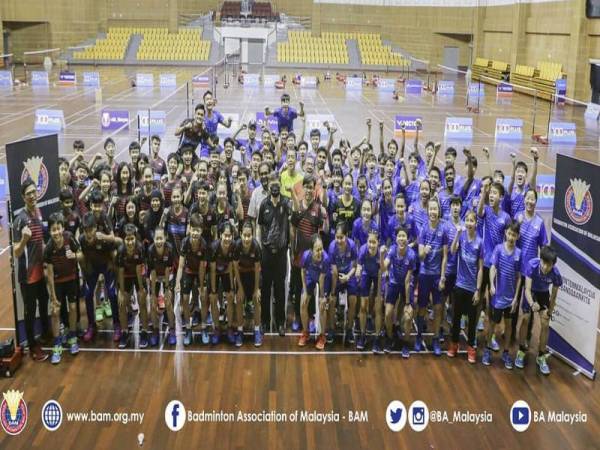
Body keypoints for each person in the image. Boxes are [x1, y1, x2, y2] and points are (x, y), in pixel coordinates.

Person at [13, 179, 50, 361]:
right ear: (23, 196)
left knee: (44, 303)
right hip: (27, 275)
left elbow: (41, 240)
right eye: (29, 193)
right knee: (30, 310)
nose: (32, 195)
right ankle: (33, 347)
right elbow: (16, 251)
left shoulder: (39, 211)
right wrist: (24, 239)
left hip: (40, 271)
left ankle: (45, 335)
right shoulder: (20, 219)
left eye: (34, 192)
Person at [515, 246, 562, 375]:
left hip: (543, 294)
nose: (546, 267)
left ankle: (541, 356)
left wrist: (549, 312)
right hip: (531, 293)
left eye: (549, 265)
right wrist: (531, 303)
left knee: (545, 324)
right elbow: (527, 290)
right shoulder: (532, 265)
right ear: (540, 260)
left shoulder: (556, 274)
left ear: (553, 265)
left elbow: (553, 296)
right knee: (525, 319)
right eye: (544, 263)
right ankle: (521, 350)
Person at [44, 212, 83, 364]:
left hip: (71, 279)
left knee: (73, 308)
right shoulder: (48, 248)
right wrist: (53, 297)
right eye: (53, 230)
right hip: (58, 283)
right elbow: (49, 275)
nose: (56, 232)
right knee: (55, 311)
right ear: (50, 231)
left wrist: (74, 255)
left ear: (62, 228)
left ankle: (72, 337)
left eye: (58, 229)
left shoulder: (69, 238)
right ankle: (57, 344)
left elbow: (81, 254)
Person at [477, 178, 511, 351]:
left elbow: (508, 242)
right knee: (478, 298)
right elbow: (479, 210)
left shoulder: (506, 218)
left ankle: (490, 337)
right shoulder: (486, 211)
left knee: (493, 302)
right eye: (491, 193)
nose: (492, 196)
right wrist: (484, 192)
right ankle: (475, 332)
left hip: (497, 266)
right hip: (484, 263)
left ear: (501, 197)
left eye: (495, 193)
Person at [483, 222, 522, 369]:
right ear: (506, 233)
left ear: (518, 236)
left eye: (514, 235)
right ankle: (487, 350)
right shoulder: (498, 249)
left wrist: (516, 298)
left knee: (509, 325)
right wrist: (492, 284)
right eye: (510, 234)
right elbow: (493, 267)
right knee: (492, 323)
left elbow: (519, 277)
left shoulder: (519, 254)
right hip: (498, 297)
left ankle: (506, 353)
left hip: (510, 299)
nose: (511, 237)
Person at [257, 172, 291, 336]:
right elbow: (260, 227)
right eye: (272, 182)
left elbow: (295, 216)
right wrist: (259, 247)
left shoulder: (286, 202)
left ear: (280, 183)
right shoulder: (264, 204)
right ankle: (264, 322)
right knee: (265, 288)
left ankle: (280, 323)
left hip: (282, 253)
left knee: (280, 289)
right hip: (267, 253)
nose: (275, 185)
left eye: (277, 182)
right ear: (269, 185)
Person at [448, 211, 483, 363]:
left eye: (472, 221)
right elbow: (452, 250)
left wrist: (478, 289)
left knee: (472, 320)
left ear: (476, 224)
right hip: (459, 285)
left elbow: (481, 268)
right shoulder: (461, 237)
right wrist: (457, 234)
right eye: (467, 220)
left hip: (471, 288)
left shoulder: (479, 242)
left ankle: (471, 348)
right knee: (456, 318)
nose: (469, 223)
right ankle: (454, 345)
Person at [78, 212, 119, 343]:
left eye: (90, 230)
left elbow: (114, 253)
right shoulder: (82, 240)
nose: (88, 233)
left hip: (107, 266)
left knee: (112, 294)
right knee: (88, 294)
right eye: (85, 231)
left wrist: (114, 269)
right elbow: (82, 257)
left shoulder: (103, 239)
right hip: (92, 268)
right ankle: (91, 325)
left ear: (96, 228)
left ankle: (117, 324)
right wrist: (85, 272)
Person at [417, 198, 448, 356]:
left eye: (436, 209)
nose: (433, 212)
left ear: (439, 211)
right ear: (428, 211)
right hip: (424, 275)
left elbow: (444, 256)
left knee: (437, 308)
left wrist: (442, 277)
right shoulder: (423, 229)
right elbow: (420, 257)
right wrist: (424, 252)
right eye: (431, 209)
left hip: (437, 276)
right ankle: (419, 337)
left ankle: (436, 338)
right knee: (422, 308)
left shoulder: (443, 230)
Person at [382, 227, 416, 357]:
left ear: (407, 239)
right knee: (388, 314)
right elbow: (384, 266)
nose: (401, 239)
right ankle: (390, 338)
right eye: (399, 236)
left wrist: (407, 303)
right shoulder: (391, 250)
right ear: (396, 239)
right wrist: (381, 256)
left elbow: (407, 281)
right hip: (393, 283)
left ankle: (406, 343)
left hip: (406, 285)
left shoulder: (412, 255)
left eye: (404, 236)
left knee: (408, 317)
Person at [175, 214, 208, 346]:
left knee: (204, 297)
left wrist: (201, 287)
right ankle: (188, 328)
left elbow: (202, 268)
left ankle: (204, 327)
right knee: (184, 298)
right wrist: (177, 282)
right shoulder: (185, 242)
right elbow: (181, 266)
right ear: (189, 229)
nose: (195, 233)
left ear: (201, 231)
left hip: (199, 271)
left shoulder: (204, 245)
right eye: (193, 229)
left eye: (198, 230)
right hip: (188, 271)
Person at [116, 224, 147, 349]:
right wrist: (122, 292)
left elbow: (139, 271)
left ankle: (144, 331)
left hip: (137, 275)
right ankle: (124, 332)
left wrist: (140, 289)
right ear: (124, 240)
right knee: (122, 303)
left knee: (142, 301)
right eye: (127, 239)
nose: (130, 242)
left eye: (132, 238)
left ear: (135, 238)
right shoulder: (121, 251)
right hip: (126, 277)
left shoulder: (139, 249)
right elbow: (121, 272)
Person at [298, 235, 331, 350]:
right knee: (303, 303)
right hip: (310, 277)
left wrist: (322, 297)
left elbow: (321, 280)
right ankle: (305, 332)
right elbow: (302, 272)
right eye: (317, 249)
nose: (320, 252)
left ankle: (322, 336)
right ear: (311, 250)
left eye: (321, 249)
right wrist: (305, 291)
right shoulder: (306, 256)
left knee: (322, 306)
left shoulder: (326, 259)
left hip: (323, 278)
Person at [233, 221, 263, 346]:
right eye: (244, 235)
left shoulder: (256, 247)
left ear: (252, 235)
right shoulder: (237, 246)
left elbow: (257, 270)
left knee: (256, 300)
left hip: (253, 276)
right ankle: (240, 331)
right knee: (239, 299)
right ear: (240, 234)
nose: (246, 238)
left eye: (249, 235)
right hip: (241, 276)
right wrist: (239, 288)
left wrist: (256, 290)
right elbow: (235, 268)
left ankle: (256, 330)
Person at [328, 224, 358, 344]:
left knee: (353, 300)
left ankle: (350, 329)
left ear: (346, 236)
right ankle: (331, 329)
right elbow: (334, 271)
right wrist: (333, 291)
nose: (339, 240)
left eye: (342, 237)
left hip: (349, 275)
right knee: (332, 300)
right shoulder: (331, 247)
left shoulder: (352, 246)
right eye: (337, 237)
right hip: (336, 276)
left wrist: (348, 277)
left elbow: (355, 266)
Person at [355, 230, 384, 351]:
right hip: (366, 274)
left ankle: (377, 337)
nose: (371, 245)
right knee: (363, 306)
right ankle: (362, 335)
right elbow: (359, 265)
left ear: (378, 242)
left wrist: (382, 257)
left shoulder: (381, 253)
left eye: (374, 242)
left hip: (378, 275)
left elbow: (383, 269)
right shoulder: (362, 250)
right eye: (369, 242)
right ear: (367, 242)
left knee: (378, 307)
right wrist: (358, 271)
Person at [147, 227, 176, 346]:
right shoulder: (150, 251)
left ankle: (172, 329)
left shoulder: (169, 249)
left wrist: (167, 289)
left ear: (165, 238)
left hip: (167, 275)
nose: (159, 241)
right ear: (153, 239)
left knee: (168, 303)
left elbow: (168, 270)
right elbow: (152, 272)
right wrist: (153, 294)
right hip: (155, 276)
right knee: (153, 304)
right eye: (156, 239)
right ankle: (155, 330)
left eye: (161, 238)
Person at [209, 223, 237, 345]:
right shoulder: (213, 247)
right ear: (220, 235)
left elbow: (231, 268)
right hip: (215, 273)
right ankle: (216, 328)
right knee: (213, 299)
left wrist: (231, 288)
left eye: (229, 236)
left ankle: (230, 327)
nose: (227, 238)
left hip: (226, 271)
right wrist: (214, 291)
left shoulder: (234, 246)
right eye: (225, 235)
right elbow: (213, 270)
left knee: (230, 298)